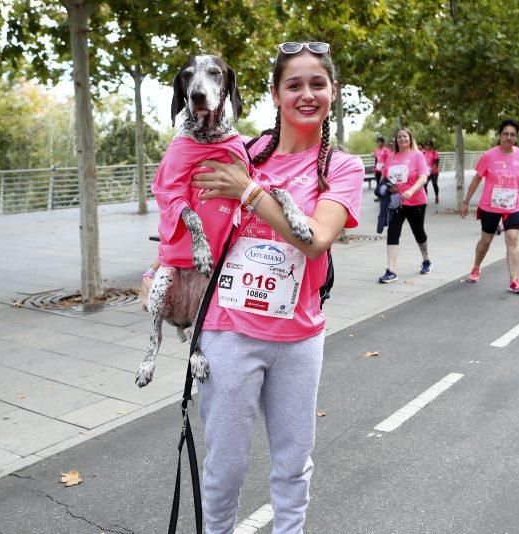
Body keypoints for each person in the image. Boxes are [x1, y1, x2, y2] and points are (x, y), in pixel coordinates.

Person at [170, 41, 362, 533]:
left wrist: (249, 192)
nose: (306, 94)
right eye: (293, 85)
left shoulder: (342, 167)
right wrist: (167, 275)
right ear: (274, 94)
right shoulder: (243, 152)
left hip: (298, 339)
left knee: (293, 466)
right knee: (225, 467)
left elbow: (316, 239)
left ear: (332, 92)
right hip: (227, 332)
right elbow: (184, 207)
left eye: (317, 84)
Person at [459, 119, 519, 294]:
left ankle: (514, 280)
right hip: (490, 206)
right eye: (506, 134)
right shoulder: (489, 155)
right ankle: (476, 266)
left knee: (512, 238)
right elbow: (477, 179)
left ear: (516, 137)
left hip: (513, 205)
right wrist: (466, 202)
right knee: (486, 241)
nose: (509, 137)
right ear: (500, 136)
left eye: (512, 134)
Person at [378, 127, 431, 283]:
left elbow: (423, 177)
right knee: (393, 233)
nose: (402, 139)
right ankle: (391, 270)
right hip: (396, 203)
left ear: (410, 138)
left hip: (416, 201)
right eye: (399, 137)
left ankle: (426, 260)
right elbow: (384, 177)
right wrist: (388, 187)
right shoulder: (391, 157)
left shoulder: (418, 155)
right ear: (396, 140)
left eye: (405, 136)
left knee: (419, 232)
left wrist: (411, 190)